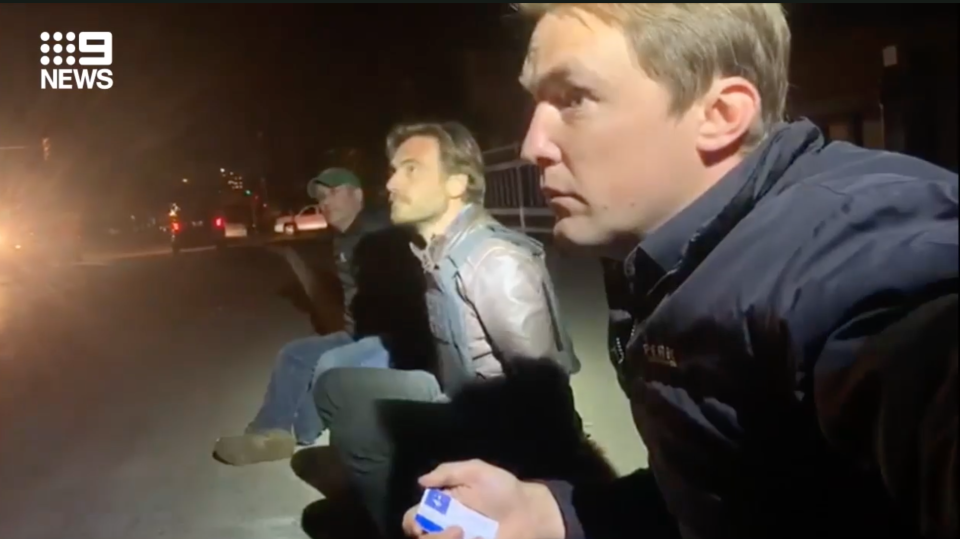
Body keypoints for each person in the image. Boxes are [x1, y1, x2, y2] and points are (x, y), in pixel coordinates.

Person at [403, 4, 959, 539]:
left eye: (573, 99)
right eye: (537, 104)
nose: (532, 145)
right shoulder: (668, 251)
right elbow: (732, 496)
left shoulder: (857, 249)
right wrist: (554, 511)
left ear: (719, 115)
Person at [312, 121, 597, 537]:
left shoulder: (493, 262)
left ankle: (420, 525)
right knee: (336, 385)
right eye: (393, 169)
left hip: (502, 428)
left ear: (457, 183)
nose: (391, 182)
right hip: (460, 394)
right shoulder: (437, 250)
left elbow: (544, 393)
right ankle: (408, 495)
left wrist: (542, 491)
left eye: (411, 169)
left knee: (359, 424)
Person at [213, 167, 426, 466]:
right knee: (295, 354)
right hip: (359, 334)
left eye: (334, 192)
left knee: (325, 377)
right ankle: (269, 433)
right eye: (322, 197)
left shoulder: (380, 232)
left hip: (391, 340)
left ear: (358, 195)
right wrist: (294, 261)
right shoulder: (343, 239)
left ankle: (304, 433)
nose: (326, 202)